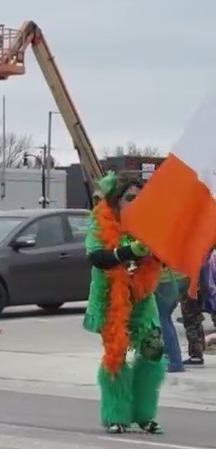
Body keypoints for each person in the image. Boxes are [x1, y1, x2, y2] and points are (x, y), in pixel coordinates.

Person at [84, 172, 166, 434]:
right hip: (111, 300)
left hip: (142, 299)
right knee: (116, 355)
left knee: (154, 351)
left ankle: (144, 414)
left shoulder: (148, 225)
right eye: (130, 198)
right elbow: (97, 257)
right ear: (117, 201)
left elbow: (162, 259)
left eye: (139, 199)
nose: (135, 203)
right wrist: (128, 251)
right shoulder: (101, 223)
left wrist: (159, 252)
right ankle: (116, 415)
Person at [179, 246, 214, 366]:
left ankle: (196, 354)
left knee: (191, 320)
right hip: (199, 285)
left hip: (192, 286)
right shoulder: (205, 249)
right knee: (194, 320)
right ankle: (197, 352)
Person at [154, 267, 186, 373]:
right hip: (182, 275)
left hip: (165, 278)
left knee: (162, 317)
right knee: (165, 317)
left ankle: (174, 361)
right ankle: (172, 359)